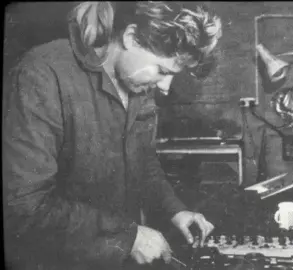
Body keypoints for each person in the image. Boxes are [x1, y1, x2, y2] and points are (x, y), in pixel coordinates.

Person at [3, 2, 222, 270]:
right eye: (162, 71)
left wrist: (175, 210)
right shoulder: (42, 74)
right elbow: (23, 204)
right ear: (130, 38)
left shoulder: (139, 86)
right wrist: (127, 237)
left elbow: (143, 162)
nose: (165, 87)